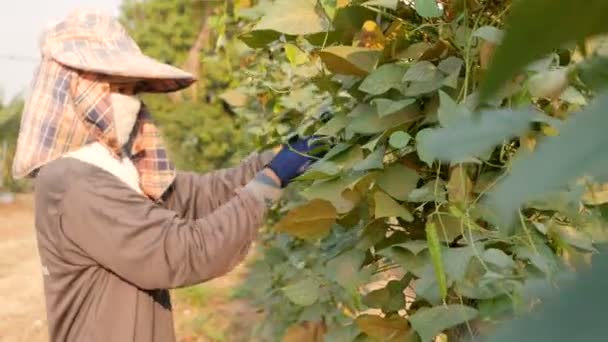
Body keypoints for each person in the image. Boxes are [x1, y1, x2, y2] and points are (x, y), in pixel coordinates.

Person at [11, 9, 322, 342]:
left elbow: (196, 195)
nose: (128, 100)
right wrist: (269, 181)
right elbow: (181, 252)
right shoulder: (75, 182)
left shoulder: (114, 166)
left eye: (132, 89)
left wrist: (276, 159)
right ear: (77, 87)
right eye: (118, 87)